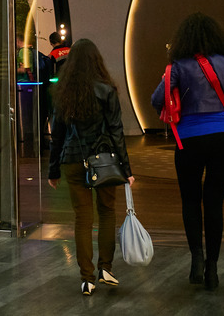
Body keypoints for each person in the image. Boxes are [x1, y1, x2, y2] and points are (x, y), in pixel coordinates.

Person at [151, 12, 224, 291]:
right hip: (223, 139)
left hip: (189, 140)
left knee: (190, 200)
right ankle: (213, 269)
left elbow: (156, 99)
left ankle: (196, 259)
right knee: (214, 203)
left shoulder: (178, 66)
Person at [47, 38, 135, 296]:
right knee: (107, 213)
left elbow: (58, 135)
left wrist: (53, 170)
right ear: (97, 61)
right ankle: (105, 268)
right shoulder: (106, 90)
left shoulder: (64, 92)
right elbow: (116, 131)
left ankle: (86, 279)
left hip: (73, 160)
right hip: (104, 160)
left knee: (82, 219)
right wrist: (126, 169)